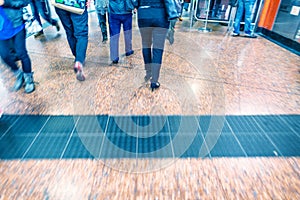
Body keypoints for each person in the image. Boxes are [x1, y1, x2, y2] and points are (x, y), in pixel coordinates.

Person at [136, 0, 179, 91]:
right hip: (160, 15)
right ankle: (154, 81)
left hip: (143, 15)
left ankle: (148, 73)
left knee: (145, 45)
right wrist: (173, 16)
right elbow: (169, 1)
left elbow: (133, 2)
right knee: (158, 49)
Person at [0, 0, 35, 93]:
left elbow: (24, 2)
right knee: (4, 55)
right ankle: (19, 74)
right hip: (1, 31)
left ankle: (29, 78)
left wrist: (5, 3)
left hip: (16, 25)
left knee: (21, 53)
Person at [54, 0, 90, 81]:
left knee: (69, 32)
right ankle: (79, 61)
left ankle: (77, 56)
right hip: (77, 3)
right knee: (81, 34)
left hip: (61, 4)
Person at [108, 0, 135, 65]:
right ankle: (128, 50)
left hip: (113, 11)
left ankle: (114, 57)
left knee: (114, 36)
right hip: (127, 11)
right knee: (128, 33)